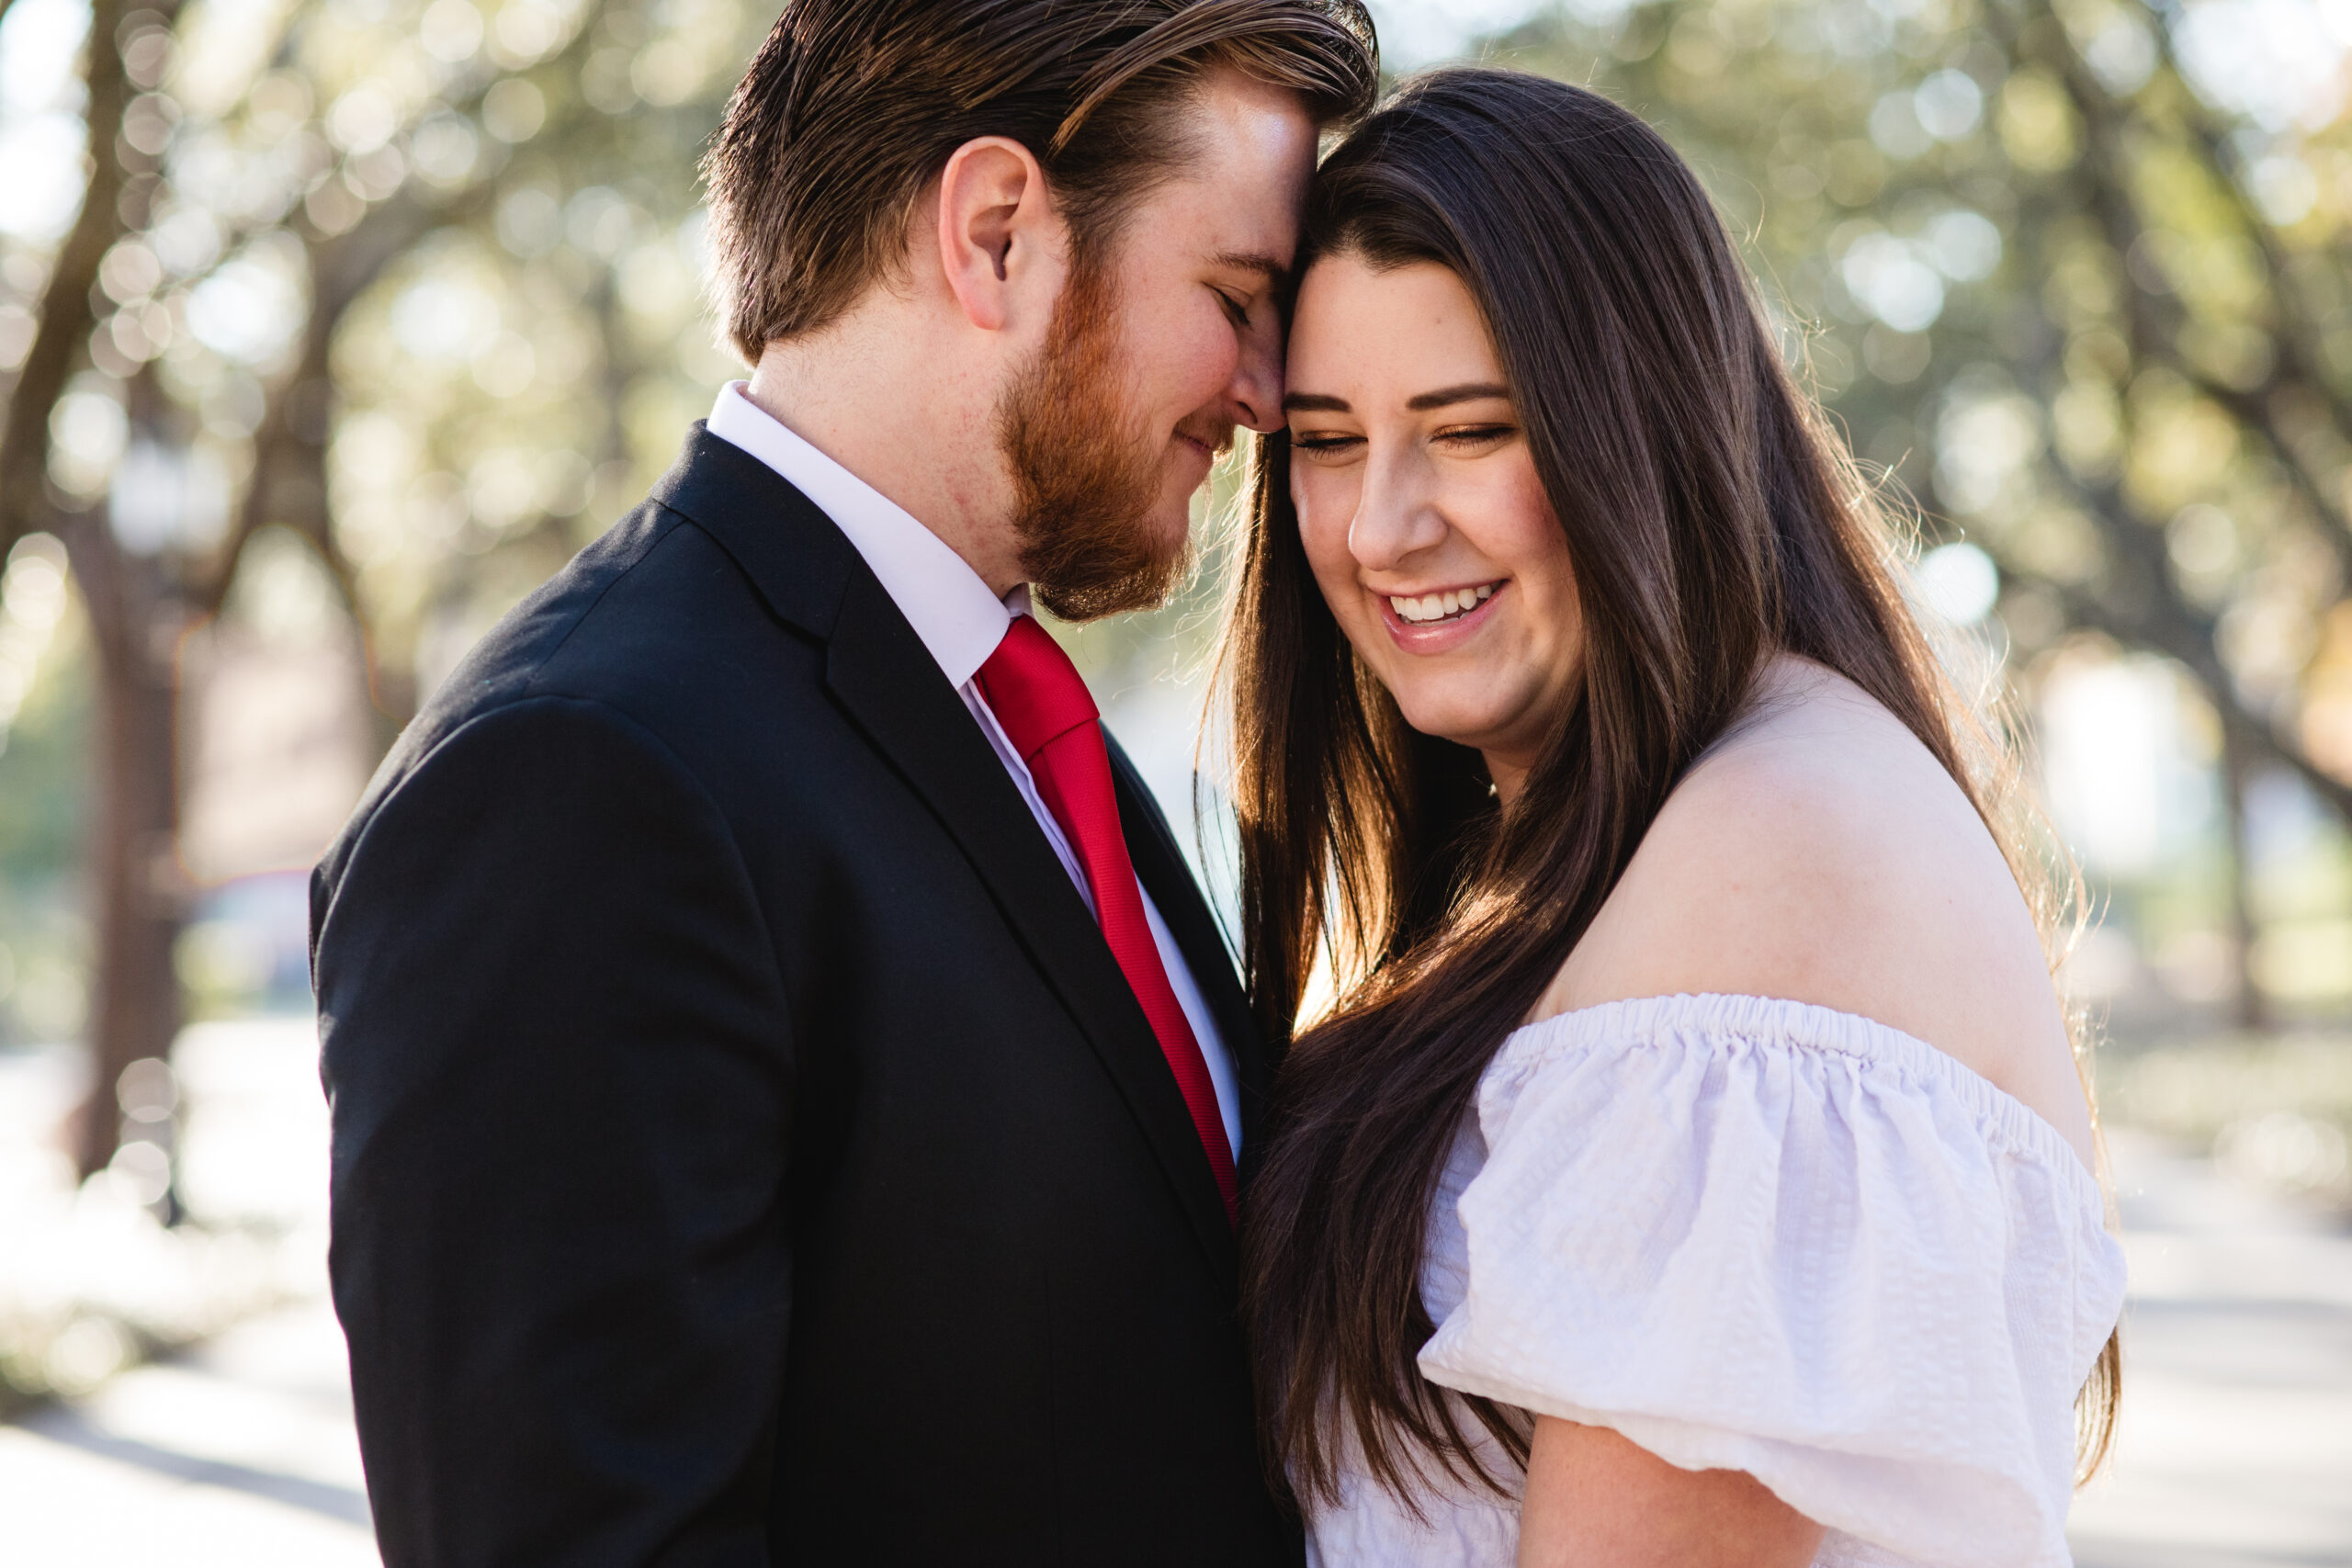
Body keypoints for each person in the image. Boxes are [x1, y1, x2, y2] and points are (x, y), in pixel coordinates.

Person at [308, 3, 1376, 1562]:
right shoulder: (574, 787)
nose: (1269, 394)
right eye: (1236, 296)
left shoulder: (1012, 723)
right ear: (998, 233)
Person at [1227, 69, 2128, 1567]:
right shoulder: (1613, 843)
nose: (1382, 526)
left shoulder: (1774, 854)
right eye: (1326, 441)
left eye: (1470, 431)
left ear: (1631, 430)